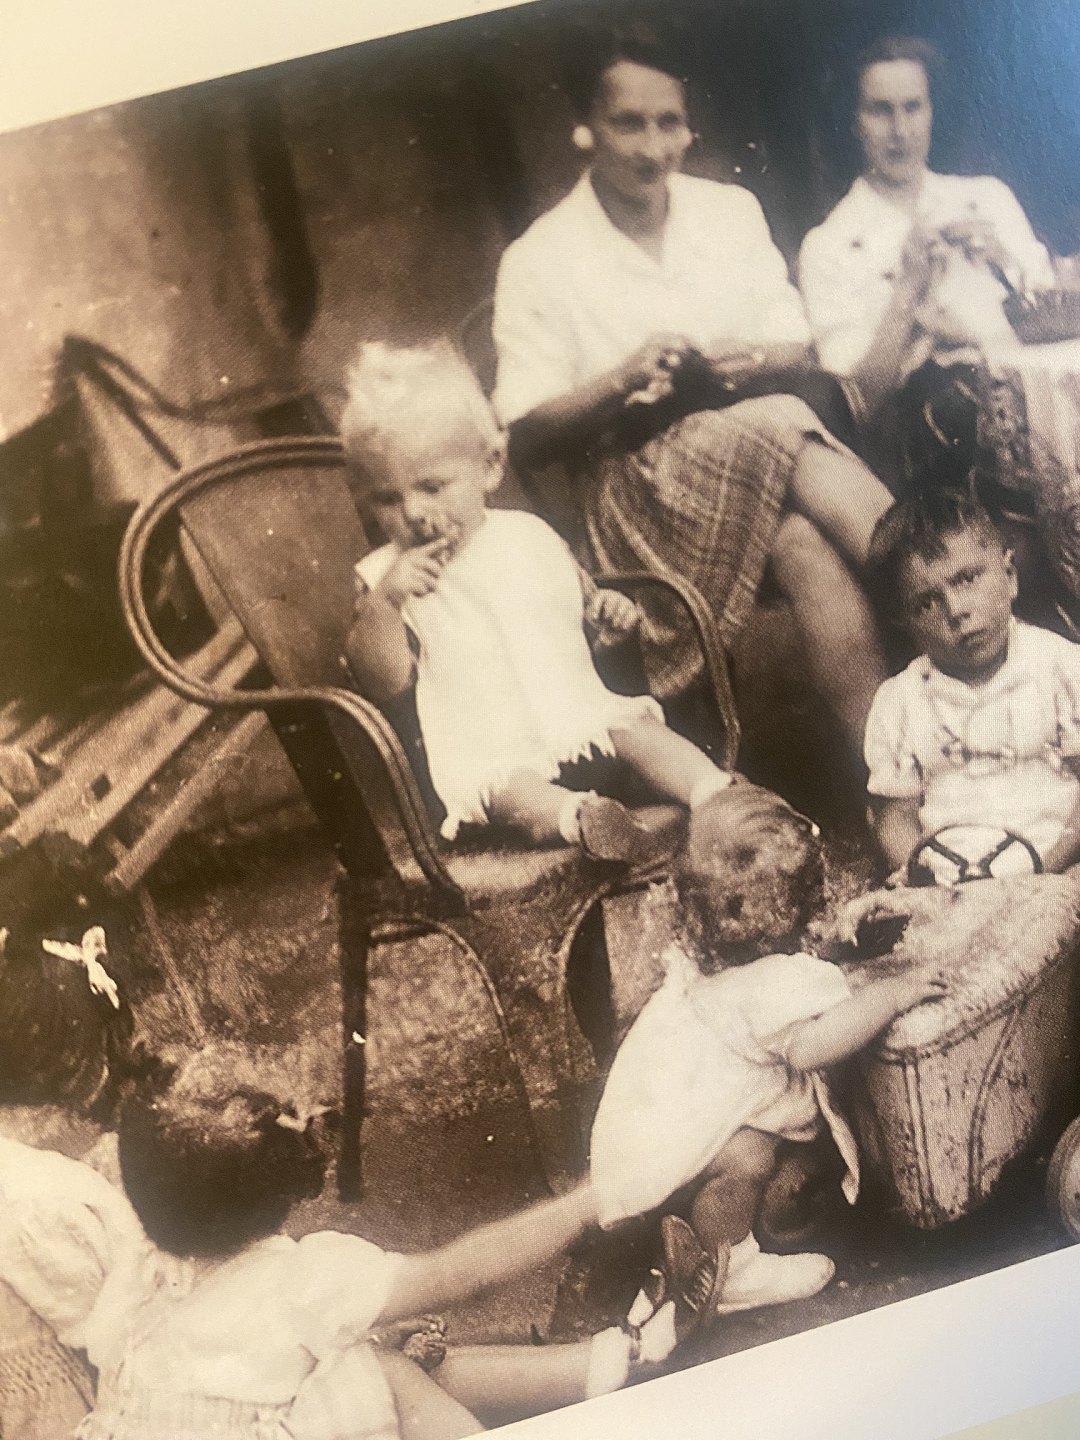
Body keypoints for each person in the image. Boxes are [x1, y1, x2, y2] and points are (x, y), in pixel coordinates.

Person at [491, 31, 893, 754]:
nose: (652, 147)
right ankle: (932, 580)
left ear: (689, 127)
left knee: (801, 542)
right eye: (628, 123)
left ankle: (890, 765)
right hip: (635, 494)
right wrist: (622, 378)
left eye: (669, 123)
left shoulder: (728, 211)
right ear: (585, 127)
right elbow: (525, 428)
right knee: (783, 418)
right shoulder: (540, 257)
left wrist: (748, 358)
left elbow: (795, 340)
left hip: (752, 459)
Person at [76, 1048, 690, 1440]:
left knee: (369, 1352)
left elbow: (125, 1351)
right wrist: (584, 1203)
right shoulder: (303, 1281)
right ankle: (615, 1364)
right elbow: (466, 1274)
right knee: (378, 1371)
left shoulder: (140, 1268)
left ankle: (604, 1364)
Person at [343, 341, 734, 859]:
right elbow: (384, 683)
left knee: (636, 728)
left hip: (576, 718)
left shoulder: (526, 536)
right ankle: (580, 820)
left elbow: (575, 616)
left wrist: (606, 618)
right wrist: (387, 604)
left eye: (431, 487)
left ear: (490, 466)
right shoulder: (384, 577)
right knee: (508, 790)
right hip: (488, 747)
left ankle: (716, 792)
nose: (412, 512)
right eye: (387, 498)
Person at [589, 788, 945, 1315]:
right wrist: (891, 995)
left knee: (744, 1145)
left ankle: (673, 1253)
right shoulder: (769, 987)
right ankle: (732, 1270)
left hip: (642, 1134)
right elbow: (812, 1048)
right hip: (678, 1155)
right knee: (749, 1157)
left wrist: (831, 947)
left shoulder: (706, 957)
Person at [798, 35, 1055, 485]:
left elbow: (1058, 327)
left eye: (913, 107)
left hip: (1043, 413)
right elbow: (856, 404)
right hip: (928, 456)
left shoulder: (987, 198)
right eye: (880, 110)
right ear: (854, 123)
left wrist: (1004, 261)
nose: (900, 130)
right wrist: (908, 292)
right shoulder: (829, 244)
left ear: (933, 111)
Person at [861, 487, 1080, 884]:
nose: (956, 610)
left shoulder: (1061, 668)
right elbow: (895, 817)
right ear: (906, 622)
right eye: (927, 602)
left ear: (1009, 576)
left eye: (966, 579)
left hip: (1055, 868)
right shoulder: (901, 701)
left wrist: (1049, 871)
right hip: (949, 882)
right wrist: (922, 876)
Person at [0, 926, 150, 1440]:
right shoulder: (44, 1197)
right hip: (54, 1416)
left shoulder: (28, 1171)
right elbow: (113, 1332)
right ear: (78, 1068)